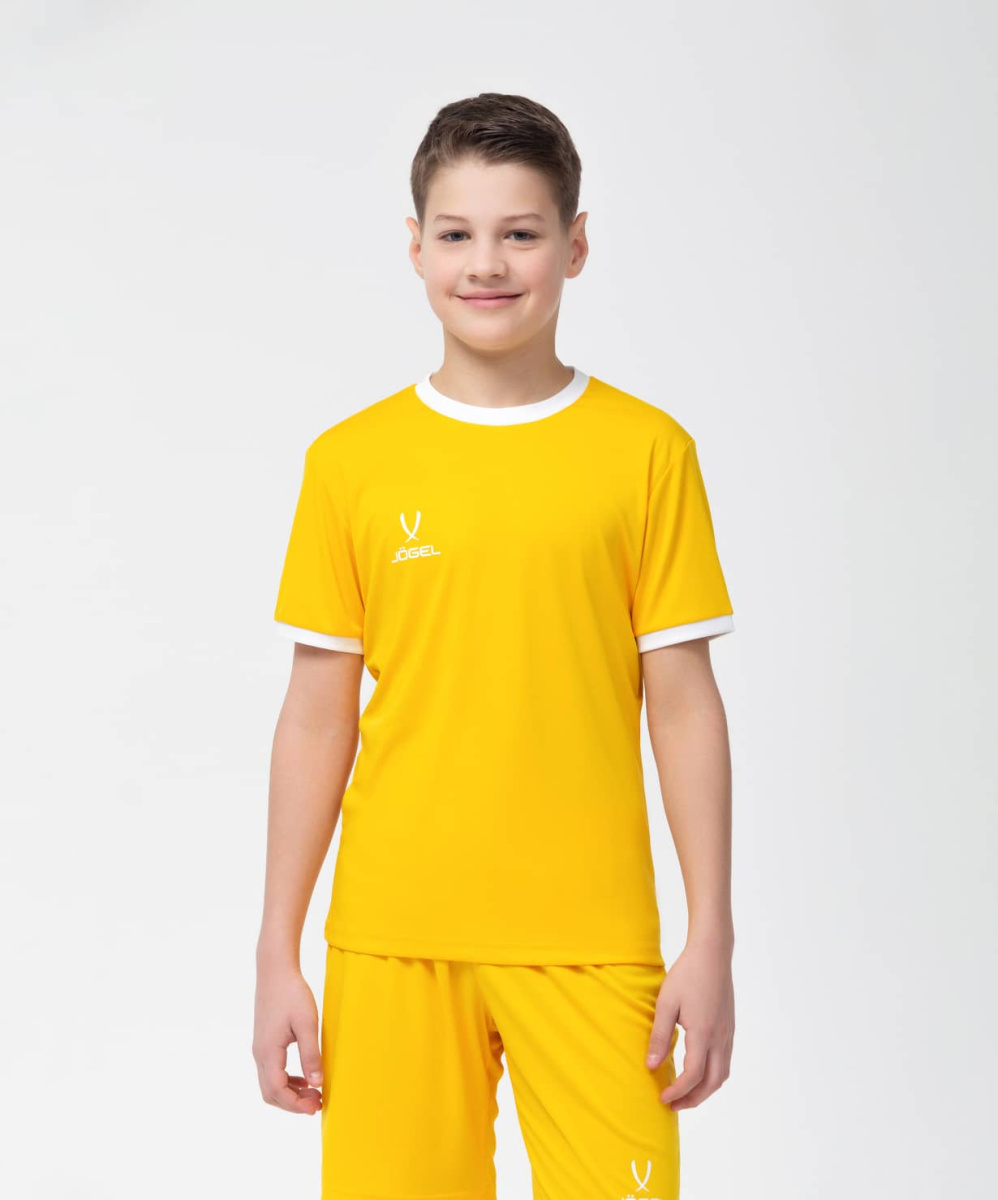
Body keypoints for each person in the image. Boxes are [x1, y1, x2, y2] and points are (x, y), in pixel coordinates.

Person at [254, 92, 736, 1200]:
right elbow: (317, 718)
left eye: (519, 233)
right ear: (415, 245)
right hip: (393, 936)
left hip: (591, 936)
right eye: (457, 233)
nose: (486, 263)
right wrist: (278, 947)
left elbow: (683, 705)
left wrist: (709, 934)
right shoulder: (351, 462)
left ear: (574, 244)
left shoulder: (646, 453)